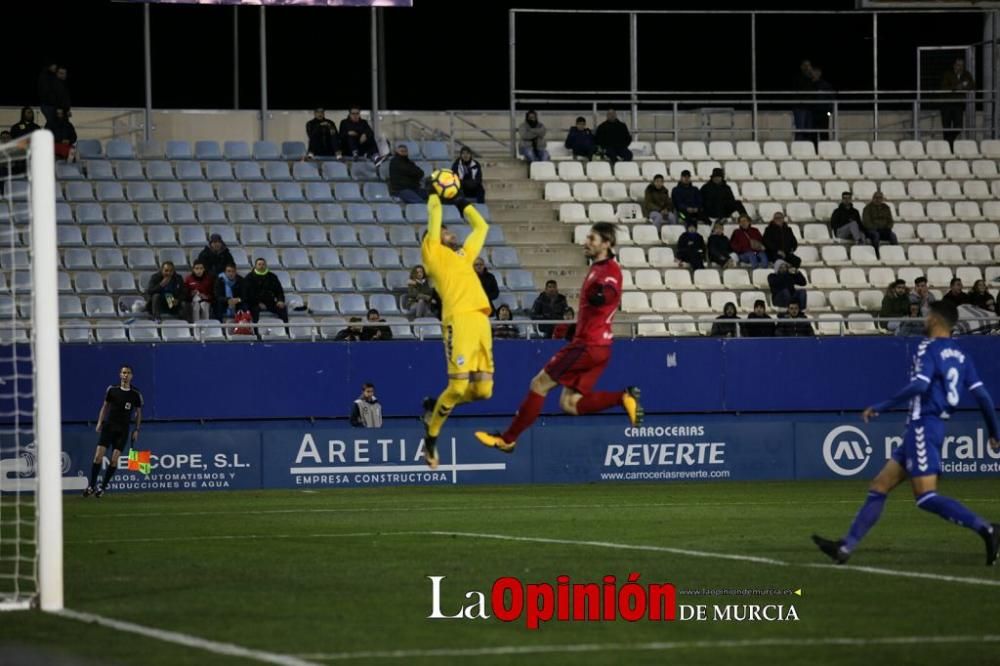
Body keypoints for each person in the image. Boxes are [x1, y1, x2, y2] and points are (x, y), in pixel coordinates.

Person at [812, 301, 1000, 566]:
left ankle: (987, 529)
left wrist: (882, 406)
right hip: (930, 427)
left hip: (923, 424)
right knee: (879, 485)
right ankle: (845, 547)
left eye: (927, 316)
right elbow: (982, 395)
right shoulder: (961, 355)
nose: (924, 321)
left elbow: (920, 384)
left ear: (935, 320)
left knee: (926, 497)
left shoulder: (928, 348)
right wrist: (994, 431)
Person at [475, 222, 643, 453]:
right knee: (570, 404)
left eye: (592, 239)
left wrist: (598, 296)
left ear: (606, 244)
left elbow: (608, 293)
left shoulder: (608, 271)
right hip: (599, 347)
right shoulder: (600, 267)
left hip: (587, 346)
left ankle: (508, 439)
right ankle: (622, 398)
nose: (586, 242)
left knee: (539, 384)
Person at [418, 192, 495, 469]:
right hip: (458, 321)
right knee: (458, 385)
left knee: (483, 391)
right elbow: (434, 215)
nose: (450, 234)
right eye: (445, 231)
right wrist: (436, 194)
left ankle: (434, 406)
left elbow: (481, 227)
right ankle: (431, 439)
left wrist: (462, 200)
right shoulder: (433, 255)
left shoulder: (463, 256)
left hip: (481, 321)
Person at [83, 365, 143, 498]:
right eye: (123, 372)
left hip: (123, 430)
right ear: (120, 375)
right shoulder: (112, 390)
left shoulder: (135, 394)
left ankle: (102, 488)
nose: (125, 375)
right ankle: (91, 485)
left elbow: (138, 413)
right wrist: (100, 422)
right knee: (98, 456)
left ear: (131, 376)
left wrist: (136, 429)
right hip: (109, 427)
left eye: (128, 373)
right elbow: (105, 407)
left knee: (114, 460)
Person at [243, 257, 289, 331]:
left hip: (269, 302)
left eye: (263, 264)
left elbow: (279, 291)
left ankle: (286, 331)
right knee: (254, 310)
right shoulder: (249, 277)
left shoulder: (272, 277)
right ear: (255, 266)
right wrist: (258, 303)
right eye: (259, 264)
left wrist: (280, 300)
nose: (261, 266)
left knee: (282, 309)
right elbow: (247, 295)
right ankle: (256, 332)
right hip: (254, 303)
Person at [940, 58, 975, 146]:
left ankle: (949, 142)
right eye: (958, 65)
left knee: (958, 127)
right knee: (946, 128)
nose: (960, 67)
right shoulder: (948, 74)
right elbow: (944, 87)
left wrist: (963, 87)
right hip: (946, 104)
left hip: (958, 104)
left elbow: (972, 85)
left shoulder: (966, 74)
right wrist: (956, 87)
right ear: (954, 65)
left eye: (962, 65)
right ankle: (948, 148)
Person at [862, 191, 897, 255]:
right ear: (873, 198)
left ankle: (896, 253)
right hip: (872, 230)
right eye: (876, 198)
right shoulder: (867, 208)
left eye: (880, 198)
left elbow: (890, 221)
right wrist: (876, 228)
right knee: (876, 235)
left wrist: (887, 227)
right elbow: (867, 222)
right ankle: (876, 254)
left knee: (893, 236)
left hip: (884, 230)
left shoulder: (886, 208)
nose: (878, 199)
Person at [810, 67, 834, 143]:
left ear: (820, 74)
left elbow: (831, 98)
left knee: (824, 133)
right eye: (814, 72)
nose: (816, 74)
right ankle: (814, 151)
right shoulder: (809, 84)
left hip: (823, 112)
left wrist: (829, 112)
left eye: (817, 72)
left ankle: (825, 150)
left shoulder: (825, 85)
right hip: (812, 113)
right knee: (812, 133)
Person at [793, 59, 815, 142]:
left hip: (810, 107)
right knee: (800, 130)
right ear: (801, 67)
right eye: (805, 65)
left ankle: (808, 148)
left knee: (809, 130)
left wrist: (811, 74)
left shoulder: (811, 78)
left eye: (808, 65)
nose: (807, 67)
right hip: (800, 107)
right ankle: (798, 147)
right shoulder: (798, 77)